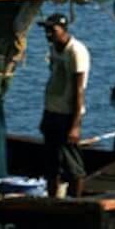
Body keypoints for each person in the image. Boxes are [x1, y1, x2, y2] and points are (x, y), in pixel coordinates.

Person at [37, 13, 89, 197]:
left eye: (53, 30)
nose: (49, 34)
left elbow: (79, 90)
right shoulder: (54, 49)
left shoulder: (76, 51)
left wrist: (75, 125)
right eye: (46, 30)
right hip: (52, 111)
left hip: (67, 114)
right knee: (51, 163)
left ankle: (77, 202)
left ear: (64, 29)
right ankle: (53, 200)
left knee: (72, 163)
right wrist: (45, 113)